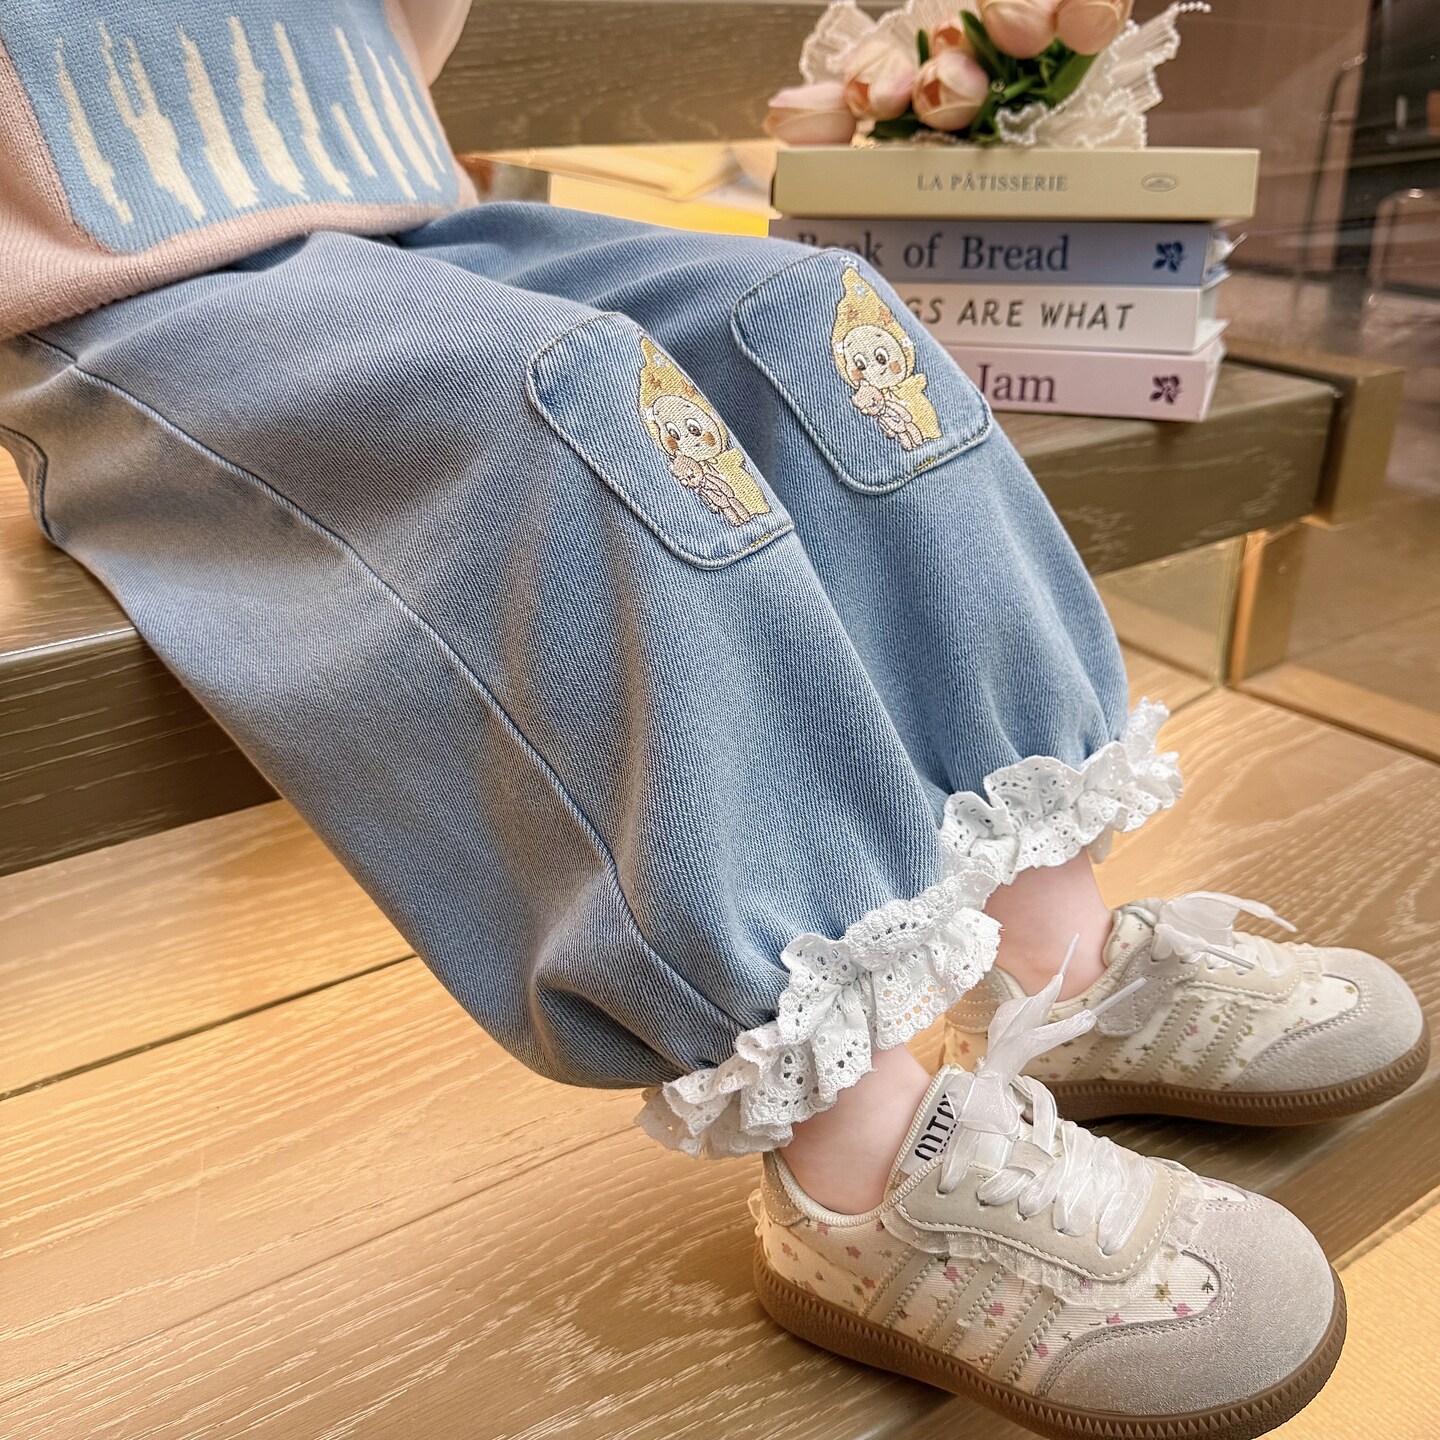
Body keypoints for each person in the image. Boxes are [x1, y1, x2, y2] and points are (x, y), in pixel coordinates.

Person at [0, 4, 1427, 1435]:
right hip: (97, 283)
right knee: (560, 410)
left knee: (815, 320)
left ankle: (1051, 966)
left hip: (372, 181)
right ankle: (855, 1171)